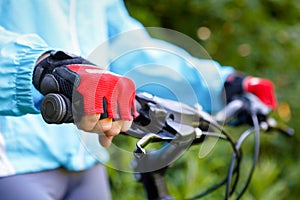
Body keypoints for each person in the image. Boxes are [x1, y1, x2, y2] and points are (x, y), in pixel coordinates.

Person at [0, 0, 277, 200]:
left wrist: (221, 84)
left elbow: (127, 47)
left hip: (85, 160)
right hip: (12, 160)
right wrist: (45, 70)